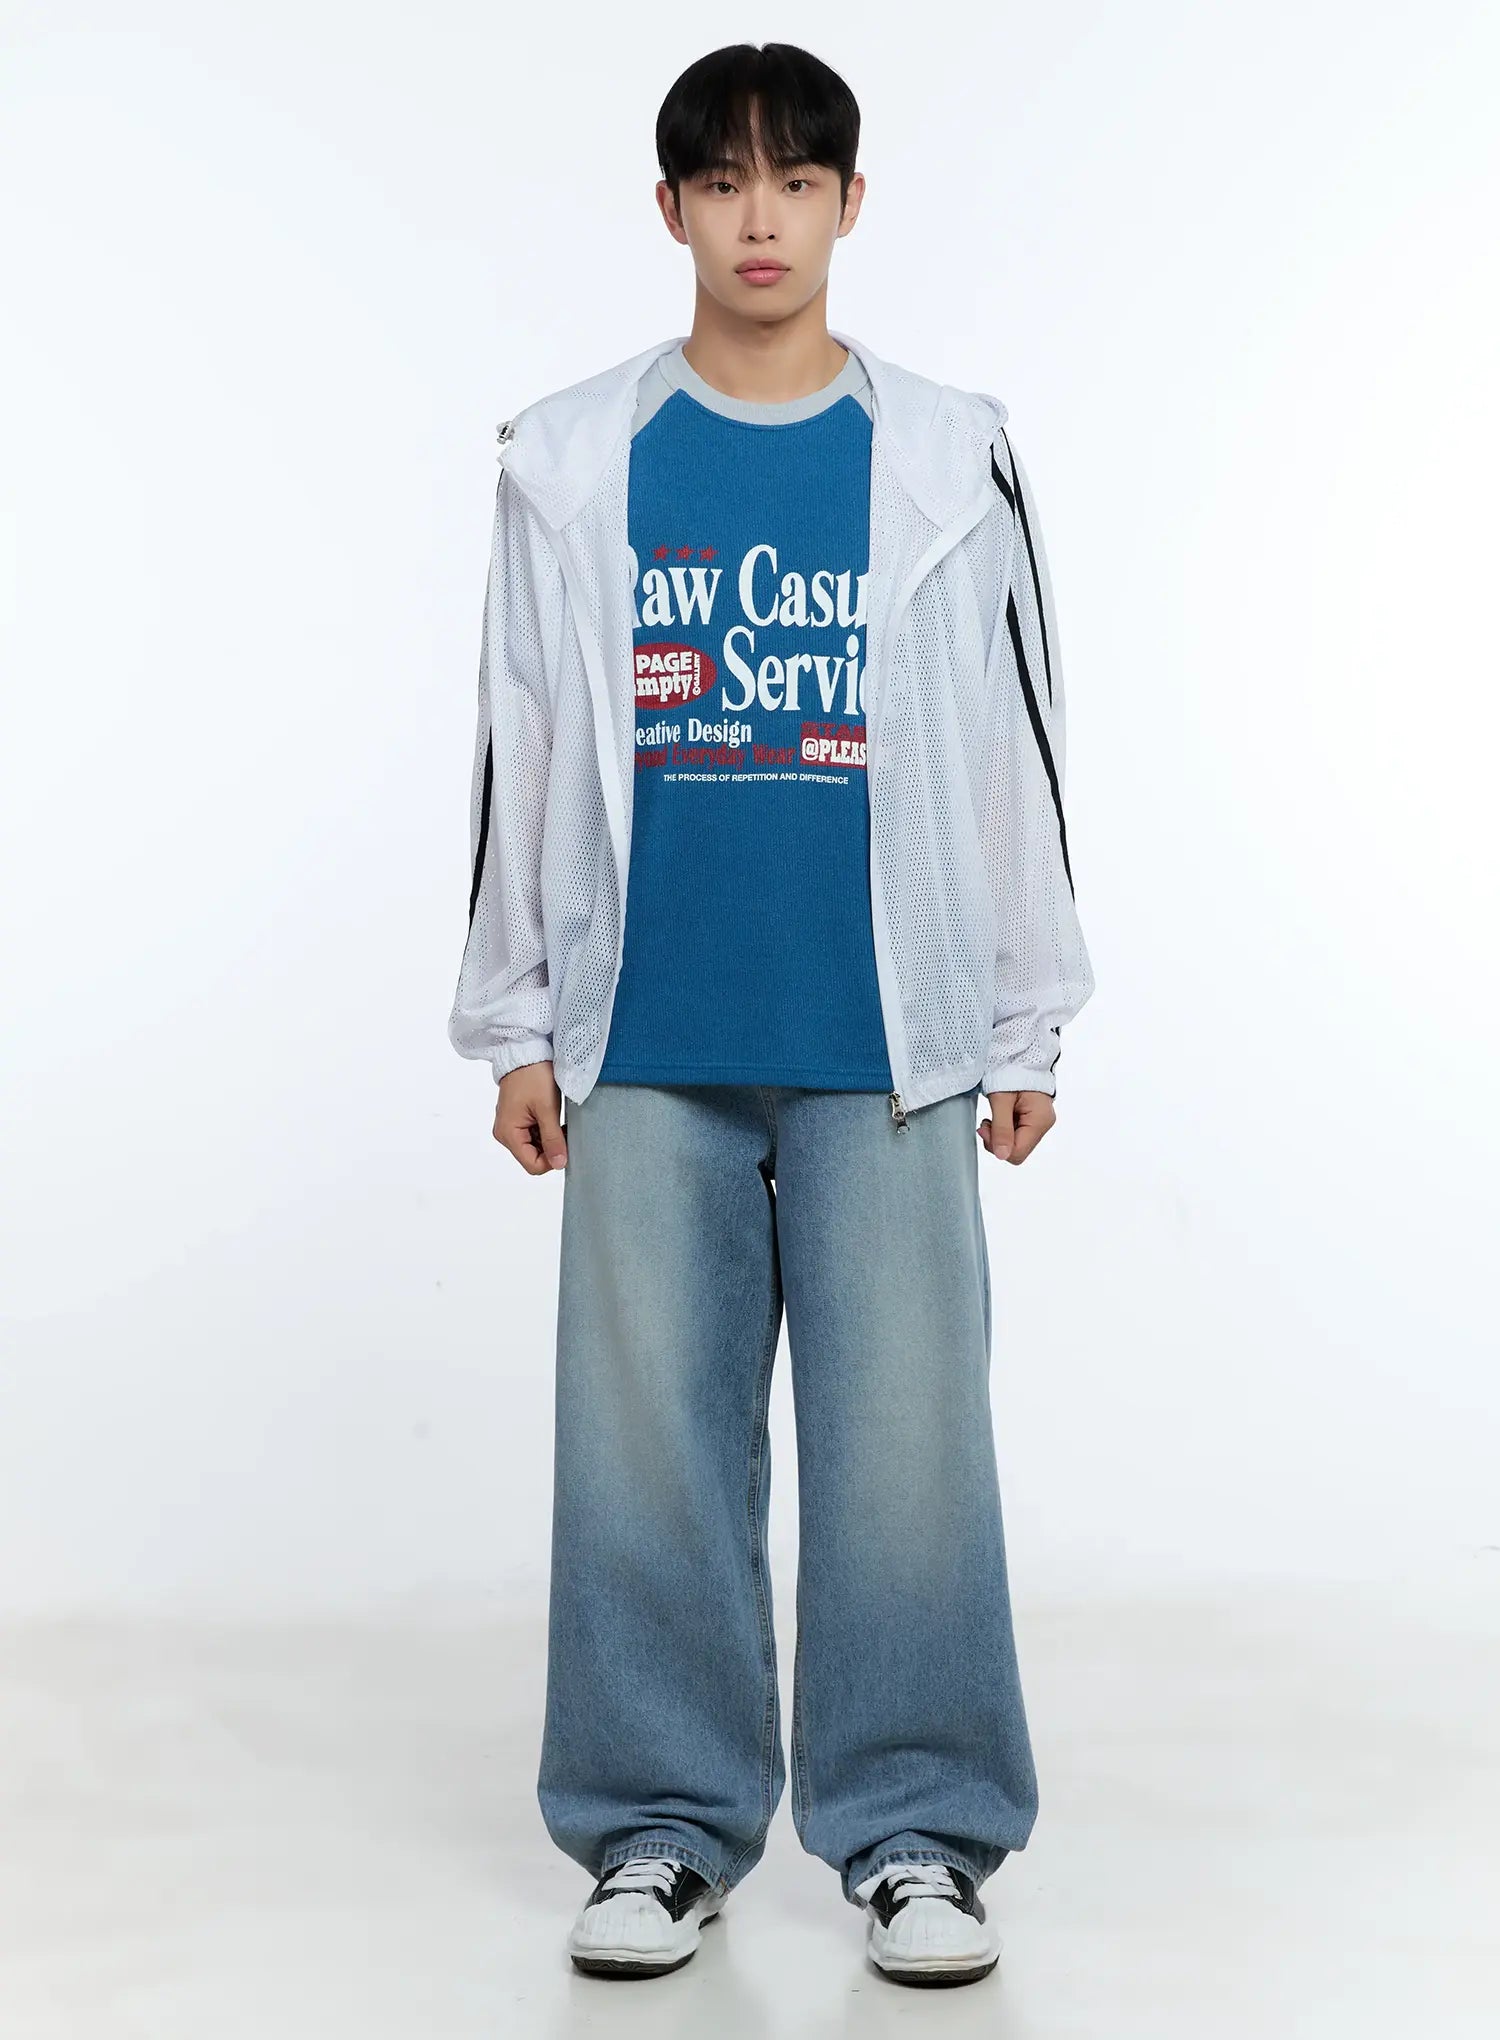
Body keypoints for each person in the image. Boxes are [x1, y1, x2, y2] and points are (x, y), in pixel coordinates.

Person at [447, 41, 1094, 1989]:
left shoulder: (945, 452)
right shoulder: (573, 456)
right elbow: (519, 734)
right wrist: (518, 1021)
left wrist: (1023, 1017)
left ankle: (920, 1836)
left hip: (884, 1038)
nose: (760, 219)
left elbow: (1017, 732)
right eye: (723, 183)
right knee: (644, 1450)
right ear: (669, 210)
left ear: (849, 204)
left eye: (796, 181)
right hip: (647, 1034)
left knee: (908, 1454)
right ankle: (660, 1824)